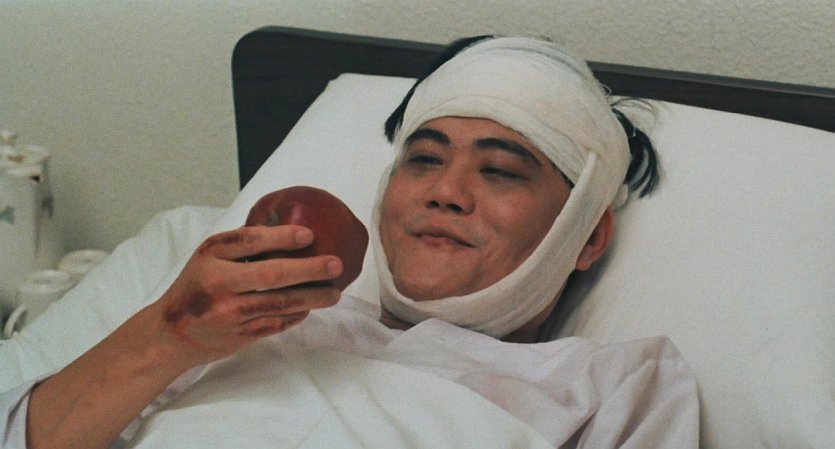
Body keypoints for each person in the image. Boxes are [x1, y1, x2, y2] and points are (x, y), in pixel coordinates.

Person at [1, 35, 695, 449]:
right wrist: (168, 336)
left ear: (588, 236)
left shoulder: (609, 386)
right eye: (423, 159)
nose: (444, 191)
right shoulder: (237, 324)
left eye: (500, 170)